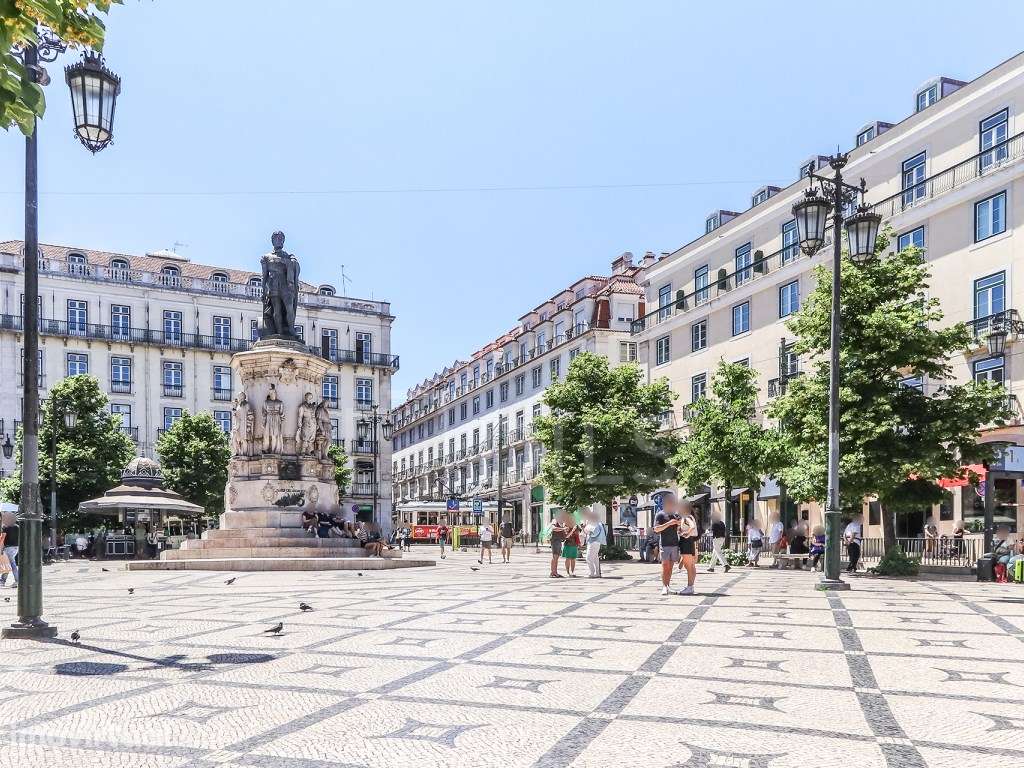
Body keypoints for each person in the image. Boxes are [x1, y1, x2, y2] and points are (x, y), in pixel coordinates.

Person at [653, 493, 681, 595]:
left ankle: (668, 585)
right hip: (664, 544)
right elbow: (656, 529)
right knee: (665, 566)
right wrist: (669, 523)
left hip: (674, 544)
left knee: (670, 567)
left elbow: (681, 528)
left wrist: (680, 524)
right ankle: (664, 587)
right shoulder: (660, 514)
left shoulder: (676, 515)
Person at [675, 501, 699, 595]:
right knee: (691, 566)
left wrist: (687, 533)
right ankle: (690, 586)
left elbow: (692, 527)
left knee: (688, 566)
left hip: (686, 542)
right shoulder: (690, 517)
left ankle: (690, 587)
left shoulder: (686, 517)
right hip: (690, 541)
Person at [583, 509, 606, 578]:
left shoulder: (594, 524)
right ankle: (597, 573)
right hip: (595, 542)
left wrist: (588, 532)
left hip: (593, 542)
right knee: (595, 558)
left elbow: (594, 532)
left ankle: (592, 573)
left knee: (588, 558)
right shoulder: (596, 523)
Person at [549, 512, 570, 578]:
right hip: (555, 541)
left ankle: (555, 572)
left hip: (559, 541)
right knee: (555, 557)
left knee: (556, 557)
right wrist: (563, 529)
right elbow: (553, 528)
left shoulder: (562, 523)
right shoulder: (555, 520)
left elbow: (564, 534)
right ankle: (552, 572)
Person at [0, 512, 18, 588]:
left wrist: (1, 548)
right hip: (16, 547)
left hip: (8, 547)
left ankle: (4, 581)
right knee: (9, 563)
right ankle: (2, 580)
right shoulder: (17, 527)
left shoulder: (4, 527)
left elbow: (2, 539)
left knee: (10, 564)